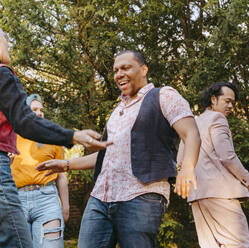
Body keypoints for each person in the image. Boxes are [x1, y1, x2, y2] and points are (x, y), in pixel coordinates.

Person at [37, 50, 201, 248]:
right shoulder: (118, 111)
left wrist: (187, 168)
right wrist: (66, 164)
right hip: (100, 199)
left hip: (141, 196)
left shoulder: (163, 96)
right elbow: (106, 155)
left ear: (144, 69)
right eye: (115, 70)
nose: (119, 74)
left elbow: (191, 133)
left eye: (126, 68)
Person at [0, 28, 110, 247]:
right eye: (5, 39)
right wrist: (73, 135)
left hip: (46, 198)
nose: (9, 45)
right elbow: (26, 121)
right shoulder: (3, 74)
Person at [177, 82, 249, 247]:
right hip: (220, 193)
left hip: (198, 196)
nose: (231, 106)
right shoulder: (217, 118)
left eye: (233, 102)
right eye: (227, 101)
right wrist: (247, 180)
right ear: (213, 99)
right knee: (238, 243)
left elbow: (180, 161)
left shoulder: (193, 123)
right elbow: (226, 156)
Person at [10, 94, 69, 247]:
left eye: (41, 109)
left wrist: (66, 206)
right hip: (16, 200)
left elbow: (61, 176)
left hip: (47, 199)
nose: (40, 112)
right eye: (34, 109)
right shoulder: (10, 137)